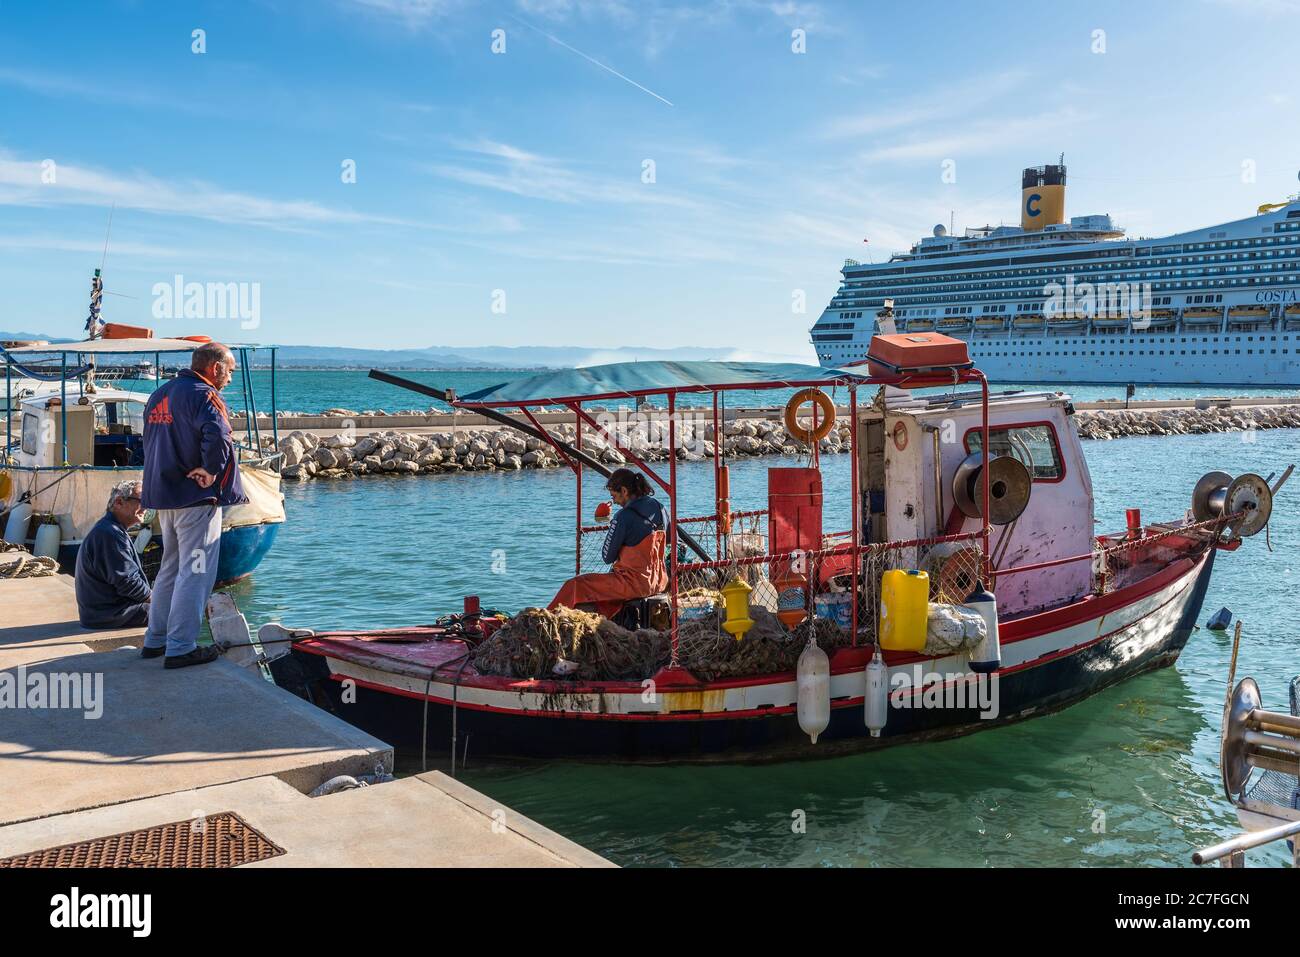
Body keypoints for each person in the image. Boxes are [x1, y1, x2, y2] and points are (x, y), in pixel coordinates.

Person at [140, 341, 247, 669]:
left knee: (170, 567)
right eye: (229, 371)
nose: (229, 378)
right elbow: (218, 436)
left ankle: (155, 639)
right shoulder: (205, 394)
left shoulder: (161, 394)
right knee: (196, 571)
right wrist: (210, 473)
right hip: (196, 499)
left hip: (166, 497)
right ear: (215, 368)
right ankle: (181, 646)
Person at [549, 468, 669, 619]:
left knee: (575, 585)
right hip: (659, 580)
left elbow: (607, 557)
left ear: (624, 491)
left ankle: (545, 620)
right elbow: (671, 539)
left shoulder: (623, 516)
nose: (615, 502)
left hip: (633, 584)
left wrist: (613, 525)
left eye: (614, 496)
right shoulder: (659, 507)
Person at [74, 480, 152, 629]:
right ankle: (180, 650)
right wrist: (155, 598)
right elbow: (127, 582)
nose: (147, 507)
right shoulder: (110, 534)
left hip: (102, 612)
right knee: (175, 611)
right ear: (118, 503)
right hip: (110, 614)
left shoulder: (109, 529)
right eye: (143, 501)